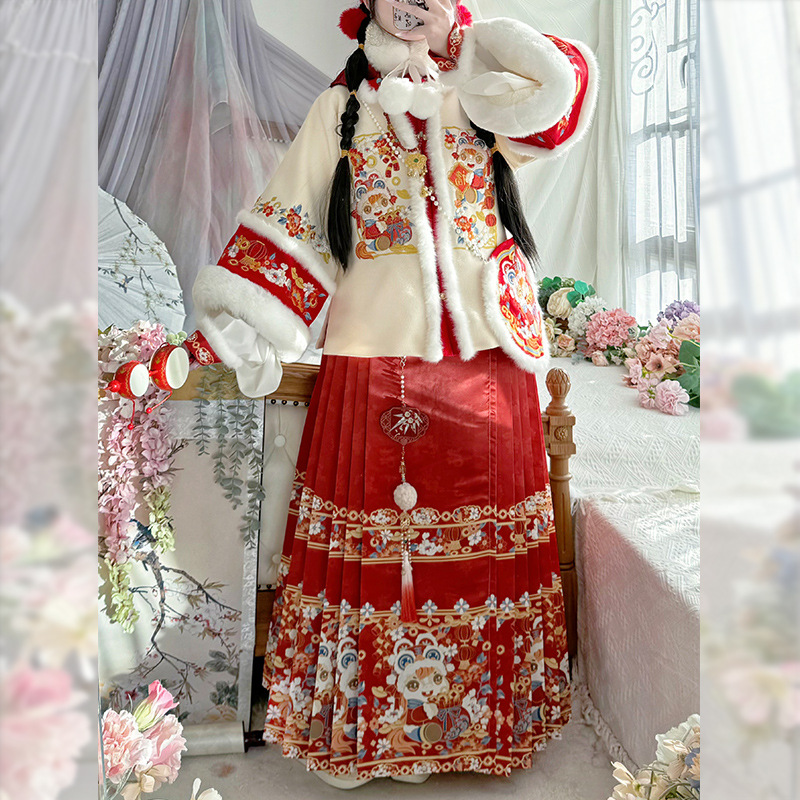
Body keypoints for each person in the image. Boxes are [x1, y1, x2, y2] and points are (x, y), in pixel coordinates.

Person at [189, 0, 598, 788]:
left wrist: (462, 41)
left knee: (484, 556)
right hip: (373, 357)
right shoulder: (338, 110)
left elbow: (561, 97)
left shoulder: (481, 89)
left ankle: (484, 730)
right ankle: (371, 737)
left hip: (490, 361)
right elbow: (293, 221)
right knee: (385, 556)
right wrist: (241, 325)